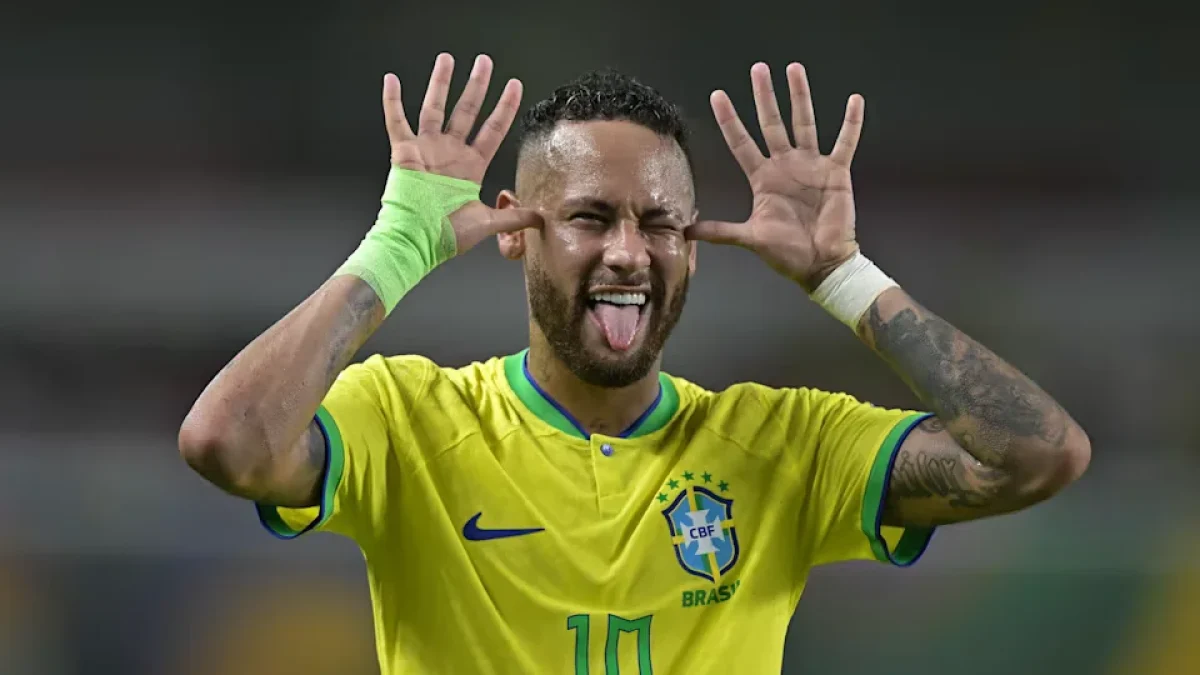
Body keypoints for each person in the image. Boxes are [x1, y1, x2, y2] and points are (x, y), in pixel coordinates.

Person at [179, 52, 1091, 674]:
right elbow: (229, 443)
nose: (628, 251)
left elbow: (1039, 456)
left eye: (659, 224)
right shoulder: (410, 418)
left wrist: (850, 281)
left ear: (691, 248)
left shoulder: (784, 443)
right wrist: (391, 253)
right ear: (512, 231)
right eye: (588, 217)